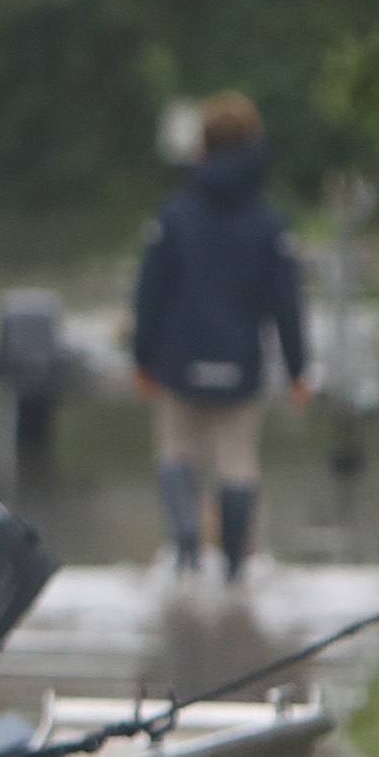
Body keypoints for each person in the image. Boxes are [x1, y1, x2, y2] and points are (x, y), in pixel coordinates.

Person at [129, 93, 313, 583]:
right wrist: (298, 369)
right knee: (238, 462)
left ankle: (187, 543)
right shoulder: (270, 224)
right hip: (241, 363)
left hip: (179, 360)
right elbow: (287, 302)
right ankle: (234, 564)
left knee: (176, 451)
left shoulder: (172, 218)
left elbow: (150, 294)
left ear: (202, 148)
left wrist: (142, 358)